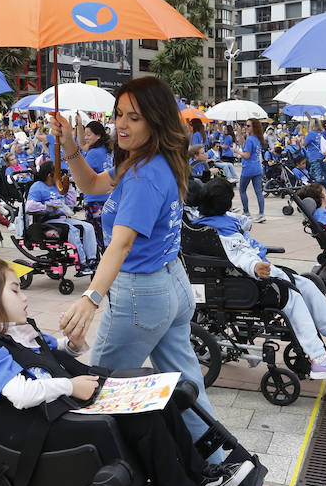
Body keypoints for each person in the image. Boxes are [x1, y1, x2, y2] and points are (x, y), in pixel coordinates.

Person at [0, 256, 254, 486]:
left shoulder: (24, 332)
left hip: (69, 409)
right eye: (15, 290)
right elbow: (20, 393)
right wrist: (69, 386)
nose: (25, 296)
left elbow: (58, 357)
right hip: (51, 427)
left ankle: (199, 475)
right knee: (144, 417)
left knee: (158, 397)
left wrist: (73, 344)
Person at [50, 76, 222, 457]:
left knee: (97, 389)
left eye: (134, 118)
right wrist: (70, 146)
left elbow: (122, 242)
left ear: (156, 121)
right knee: (187, 383)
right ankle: (220, 459)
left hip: (140, 294)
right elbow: (93, 184)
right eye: (118, 115)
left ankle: (101, 473)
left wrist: (91, 298)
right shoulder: (145, 162)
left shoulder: (144, 174)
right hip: (169, 286)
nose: (121, 125)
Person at [196, 179, 326, 378]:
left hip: (260, 272)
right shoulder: (221, 231)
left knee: (307, 285)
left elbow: (243, 222)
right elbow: (240, 255)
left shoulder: (213, 219)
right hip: (251, 276)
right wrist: (255, 266)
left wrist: (242, 223)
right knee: (294, 298)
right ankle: (319, 358)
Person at [27, 162, 97, 273]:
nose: (60, 174)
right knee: (72, 230)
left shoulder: (59, 185)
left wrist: (68, 188)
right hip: (47, 220)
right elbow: (29, 206)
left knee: (88, 227)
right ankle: (82, 263)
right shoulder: (37, 187)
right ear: (49, 175)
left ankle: (92, 259)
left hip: (63, 218)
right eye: (57, 173)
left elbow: (70, 204)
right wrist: (48, 206)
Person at [78, 121, 113, 253]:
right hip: (109, 199)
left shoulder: (93, 154)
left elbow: (82, 174)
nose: (86, 138)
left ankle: (101, 267)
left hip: (94, 200)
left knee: (97, 237)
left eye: (88, 135)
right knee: (109, 236)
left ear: (98, 136)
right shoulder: (108, 150)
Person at [237, 118, 265, 223]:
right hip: (257, 168)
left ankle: (247, 213)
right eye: (245, 125)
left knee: (242, 190)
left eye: (248, 126)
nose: (246, 127)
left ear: (254, 127)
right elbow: (244, 145)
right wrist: (239, 133)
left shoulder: (250, 139)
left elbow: (246, 155)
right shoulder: (257, 138)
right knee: (258, 192)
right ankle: (261, 214)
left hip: (248, 168)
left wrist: (237, 152)